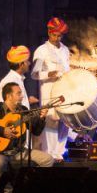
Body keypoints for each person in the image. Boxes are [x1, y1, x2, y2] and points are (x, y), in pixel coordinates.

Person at [0, 82, 54, 182]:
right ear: (9, 96)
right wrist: (2, 130)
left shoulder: (23, 110)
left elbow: (36, 132)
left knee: (48, 160)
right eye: (18, 93)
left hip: (19, 151)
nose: (22, 96)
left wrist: (42, 118)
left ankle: (35, 187)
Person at [31, 16, 71, 161]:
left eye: (60, 35)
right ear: (49, 33)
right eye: (55, 35)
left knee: (65, 120)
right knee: (51, 121)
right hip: (49, 91)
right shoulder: (41, 51)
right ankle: (50, 154)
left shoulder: (66, 50)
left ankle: (60, 152)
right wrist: (49, 74)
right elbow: (35, 73)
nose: (57, 38)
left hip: (64, 91)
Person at [0, 45, 38, 110]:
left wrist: (27, 101)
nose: (29, 63)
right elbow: (6, 106)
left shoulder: (18, 79)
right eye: (27, 61)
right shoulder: (10, 81)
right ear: (20, 64)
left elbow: (15, 102)